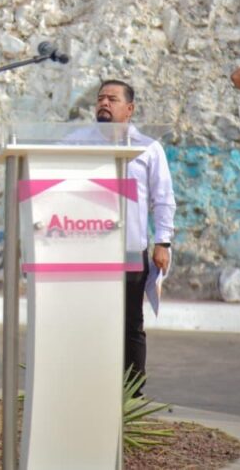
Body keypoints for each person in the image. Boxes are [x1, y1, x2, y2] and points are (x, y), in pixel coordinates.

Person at [95, 79, 175, 396]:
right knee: (93, 320)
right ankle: (96, 387)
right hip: (88, 247)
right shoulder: (78, 144)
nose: (104, 103)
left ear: (129, 109)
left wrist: (163, 241)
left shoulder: (148, 148)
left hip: (130, 248)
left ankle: (131, 393)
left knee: (130, 322)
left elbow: (163, 197)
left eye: (112, 99)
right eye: (100, 98)